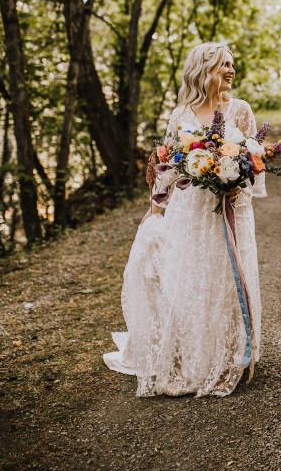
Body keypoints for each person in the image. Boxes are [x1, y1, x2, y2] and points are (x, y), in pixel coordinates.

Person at [103, 42, 265, 397]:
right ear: (204, 69)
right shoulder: (181, 115)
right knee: (189, 277)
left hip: (230, 210)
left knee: (224, 277)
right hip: (189, 211)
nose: (231, 70)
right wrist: (155, 209)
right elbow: (166, 168)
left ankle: (227, 354)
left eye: (232, 64)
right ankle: (191, 355)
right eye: (225, 64)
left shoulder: (241, 110)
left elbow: (254, 163)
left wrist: (237, 183)